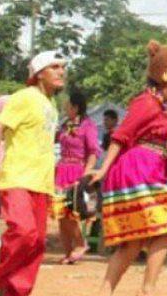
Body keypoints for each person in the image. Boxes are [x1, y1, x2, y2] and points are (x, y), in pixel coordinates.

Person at [88, 41, 167, 295]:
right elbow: (121, 135)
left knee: (134, 242)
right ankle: (147, 289)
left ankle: (109, 291)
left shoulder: (164, 108)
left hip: (150, 168)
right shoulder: (146, 103)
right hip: (138, 169)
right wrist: (103, 169)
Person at [0, 50, 65, 296]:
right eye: (54, 67)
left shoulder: (51, 104)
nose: (61, 72)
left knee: (37, 243)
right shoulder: (24, 97)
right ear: (39, 74)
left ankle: (16, 292)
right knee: (24, 233)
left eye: (62, 67)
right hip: (17, 178)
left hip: (41, 183)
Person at [54, 89, 101, 264]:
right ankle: (68, 252)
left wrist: (86, 174)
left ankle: (81, 244)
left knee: (72, 213)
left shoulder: (88, 126)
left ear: (75, 106)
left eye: (68, 104)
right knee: (61, 214)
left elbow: (93, 151)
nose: (65, 107)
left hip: (77, 171)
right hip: (62, 171)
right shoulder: (65, 125)